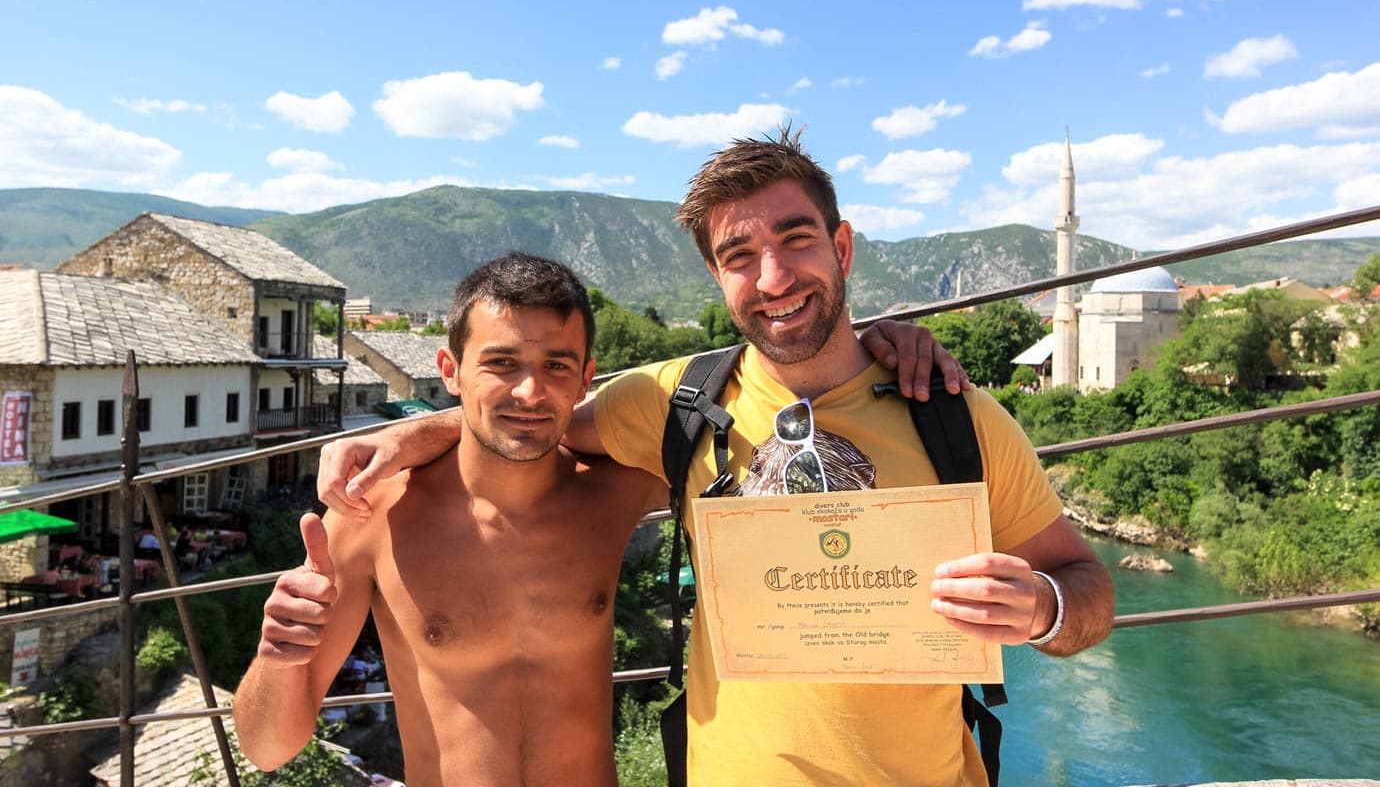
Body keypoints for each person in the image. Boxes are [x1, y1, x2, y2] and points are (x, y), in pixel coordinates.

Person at [318, 128, 1114, 786]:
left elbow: (1088, 590)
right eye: (739, 255)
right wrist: (410, 431)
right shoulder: (673, 402)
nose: (773, 277)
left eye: (796, 238)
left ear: (841, 245)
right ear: (716, 274)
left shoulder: (954, 416)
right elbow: (535, 418)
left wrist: (1043, 607)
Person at [233, 253, 668, 787]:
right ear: (450, 371)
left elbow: (735, 425)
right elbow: (267, 748)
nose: (529, 392)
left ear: (585, 379)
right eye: (501, 363)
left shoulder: (614, 488)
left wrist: (413, 432)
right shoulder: (372, 514)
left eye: (557, 365)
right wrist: (277, 656)